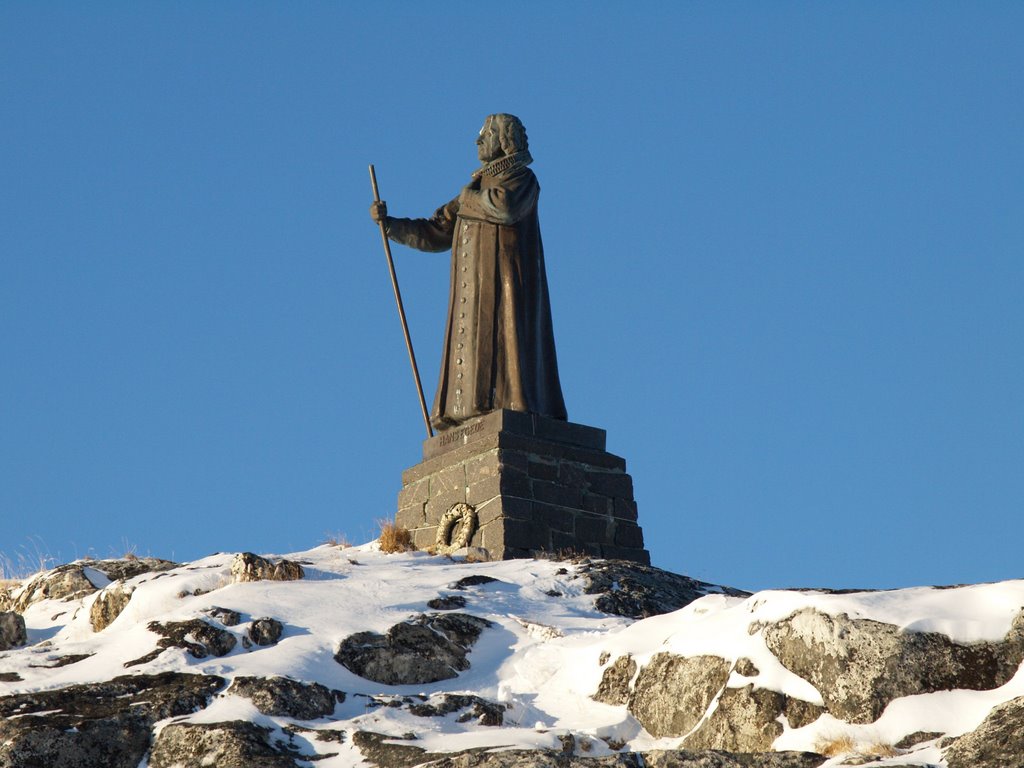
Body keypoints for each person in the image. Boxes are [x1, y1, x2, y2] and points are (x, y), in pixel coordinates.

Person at [370, 114, 567, 432]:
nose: (477, 142)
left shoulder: (521, 178)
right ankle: (471, 411)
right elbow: (435, 231)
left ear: (503, 141)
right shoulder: (474, 187)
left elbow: (504, 209)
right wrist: (391, 225)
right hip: (472, 290)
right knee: (472, 346)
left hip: (506, 285)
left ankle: (512, 406)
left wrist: (467, 200)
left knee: (508, 344)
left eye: (485, 136)